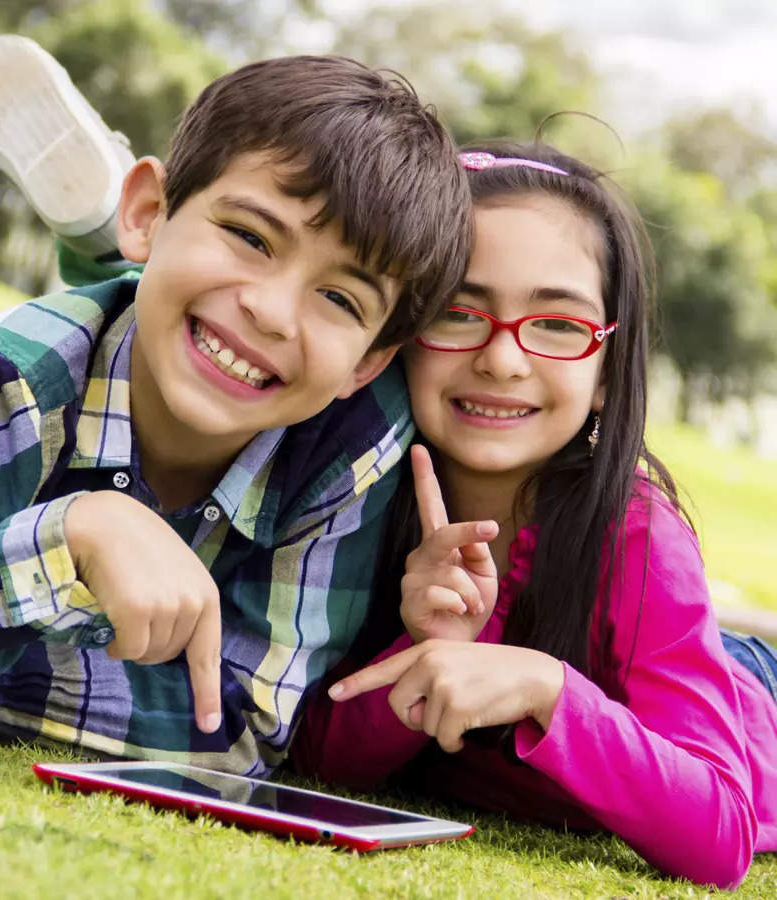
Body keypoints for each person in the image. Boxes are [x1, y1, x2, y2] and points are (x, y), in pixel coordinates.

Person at [0, 35, 472, 777]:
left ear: (369, 361)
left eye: (340, 298)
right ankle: (110, 248)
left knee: (186, 310)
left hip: (187, 317)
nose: (274, 312)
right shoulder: (7, 372)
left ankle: (110, 244)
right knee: (163, 312)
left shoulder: (354, 433)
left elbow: (244, 730)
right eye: (249, 236)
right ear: (151, 210)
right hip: (109, 333)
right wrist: (72, 534)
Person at [290, 142, 777, 888]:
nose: (503, 360)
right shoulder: (357, 486)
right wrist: (432, 644)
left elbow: (720, 838)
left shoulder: (638, 538)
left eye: (556, 324)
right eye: (459, 312)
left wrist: (545, 687)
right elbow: (321, 760)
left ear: (608, 370)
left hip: (745, 706)